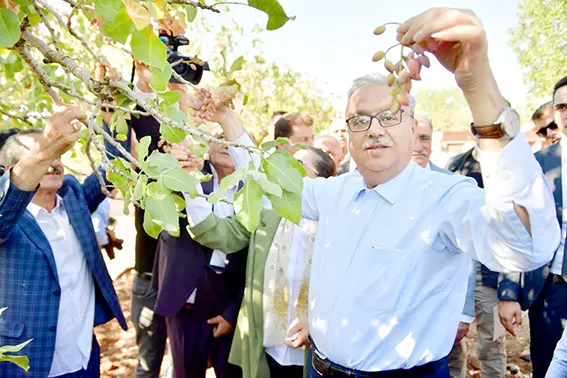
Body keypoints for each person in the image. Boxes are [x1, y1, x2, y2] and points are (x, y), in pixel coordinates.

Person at [208, 8, 560, 377]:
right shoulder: (332, 193)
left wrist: (478, 85)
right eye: (360, 119)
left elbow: (526, 246)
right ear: (348, 134)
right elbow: (267, 180)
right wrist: (226, 118)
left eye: (389, 115)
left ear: (413, 127)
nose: (374, 129)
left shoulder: (447, 198)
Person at [186, 147, 336, 378]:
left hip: (316, 356)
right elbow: (217, 233)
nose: (284, 170)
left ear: (322, 182)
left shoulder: (335, 227)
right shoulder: (267, 213)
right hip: (266, 351)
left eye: (298, 166)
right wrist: (190, 186)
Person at [0, 107, 127, 378]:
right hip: (30, 365)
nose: (54, 162)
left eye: (58, 154)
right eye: (44, 155)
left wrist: (109, 113)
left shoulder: (74, 197)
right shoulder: (7, 218)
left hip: (84, 355)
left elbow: (116, 163)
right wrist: (45, 148)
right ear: (13, 169)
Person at [152, 134, 247, 378]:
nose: (226, 143)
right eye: (219, 137)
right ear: (208, 147)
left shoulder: (254, 191)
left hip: (230, 309)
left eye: (232, 138)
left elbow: (256, 260)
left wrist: (232, 312)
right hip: (185, 305)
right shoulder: (187, 173)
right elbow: (157, 184)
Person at [498, 74, 567, 378]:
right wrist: (509, 292)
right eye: (562, 107)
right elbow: (515, 229)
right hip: (552, 291)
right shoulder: (536, 164)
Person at [409, 114, 476, 378]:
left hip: (444, 310)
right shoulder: (382, 182)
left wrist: (464, 312)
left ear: (433, 141)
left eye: (424, 138)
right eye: (413, 138)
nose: (418, 146)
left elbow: (468, 253)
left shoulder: (452, 185)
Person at [446, 145, 513, 378]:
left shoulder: (509, 168)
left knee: (492, 344)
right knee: (450, 343)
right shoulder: (456, 165)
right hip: (459, 275)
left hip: (492, 277)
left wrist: (508, 290)